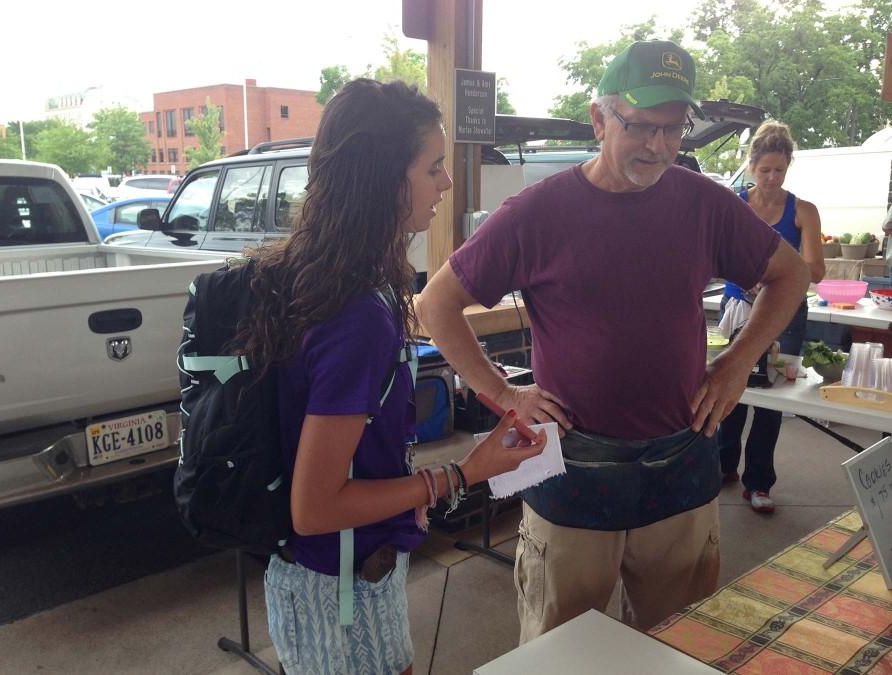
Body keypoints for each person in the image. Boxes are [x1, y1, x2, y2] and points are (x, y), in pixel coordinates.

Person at [417, 40, 810, 640]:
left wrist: (735, 364)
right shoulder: (539, 212)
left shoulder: (704, 203)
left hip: (682, 471)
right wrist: (504, 394)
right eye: (642, 126)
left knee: (681, 645)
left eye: (673, 129)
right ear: (600, 119)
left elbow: (791, 275)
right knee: (563, 655)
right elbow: (435, 305)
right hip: (573, 479)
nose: (659, 146)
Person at [236, 79, 546, 674]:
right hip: (339, 587)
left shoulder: (316, 277)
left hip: (335, 572)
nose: (447, 184)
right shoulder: (357, 317)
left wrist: (402, 497)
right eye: (433, 167)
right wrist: (462, 473)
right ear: (383, 180)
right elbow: (316, 506)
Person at [717, 121, 825, 514]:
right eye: (765, 170)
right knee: (731, 384)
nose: (772, 178)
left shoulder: (802, 211)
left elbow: (816, 269)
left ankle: (759, 482)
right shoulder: (736, 205)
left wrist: (777, 276)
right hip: (739, 306)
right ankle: (723, 465)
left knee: (772, 397)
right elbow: (717, 256)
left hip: (785, 311)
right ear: (751, 167)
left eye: (779, 170)